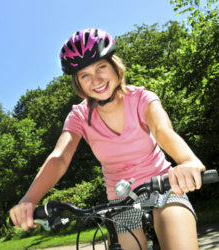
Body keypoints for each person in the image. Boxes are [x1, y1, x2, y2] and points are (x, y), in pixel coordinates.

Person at [10, 28, 205, 250]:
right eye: (85, 75)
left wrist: (188, 161)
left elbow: (163, 131)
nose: (96, 79)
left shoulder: (142, 98)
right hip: (120, 201)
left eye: (101, 67)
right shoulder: (79, 116)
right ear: (79, 84)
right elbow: (60, 157)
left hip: (162, 186)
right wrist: (29, 200)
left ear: (115, 67)